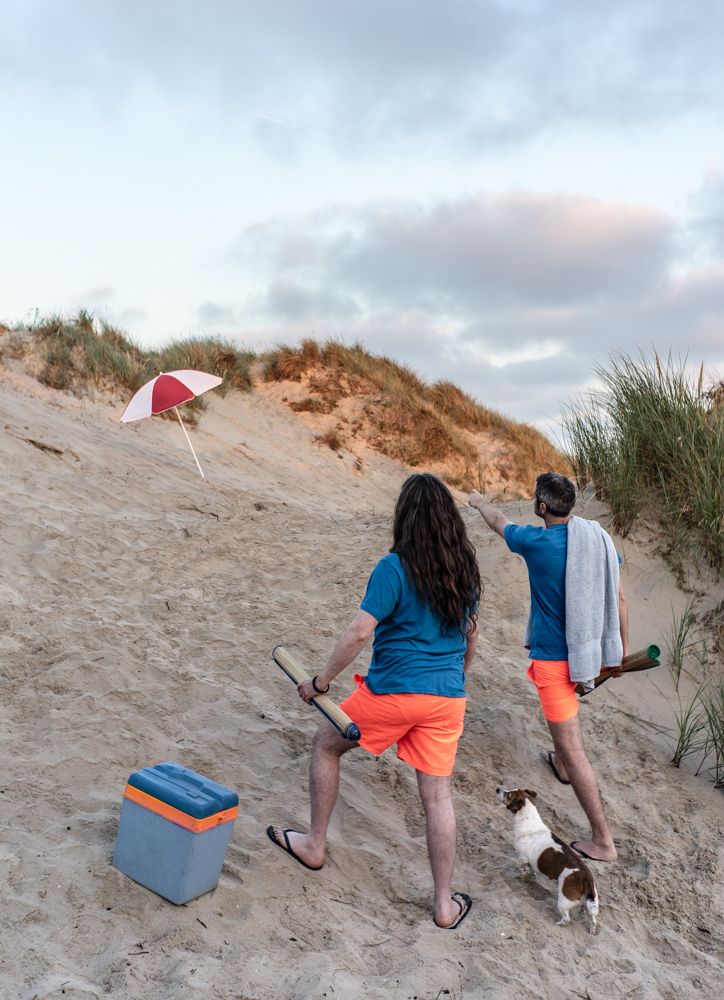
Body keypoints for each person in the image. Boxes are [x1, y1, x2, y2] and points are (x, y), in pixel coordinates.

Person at [268, 473, 480, 928]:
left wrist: (320, 683)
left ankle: (314, 845)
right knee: (438, 798)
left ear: (405, 517)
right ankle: (444, 905)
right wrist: (457, 677)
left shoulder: (395, 567)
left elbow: (360, 632)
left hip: (396, 692)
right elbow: (471, 635)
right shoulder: (464, 567)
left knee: (327, 743)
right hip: (448, 700)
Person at [469, 472, 628, 863]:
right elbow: (620, 598)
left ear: (542, 507)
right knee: (564, 736)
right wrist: (618, 651)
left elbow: (496, 522)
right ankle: (559, 762)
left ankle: (603, 841)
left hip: (556, 663)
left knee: (574, 748)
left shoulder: (534, 541)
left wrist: (477, 501)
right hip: (590, 653)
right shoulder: (597, 538)